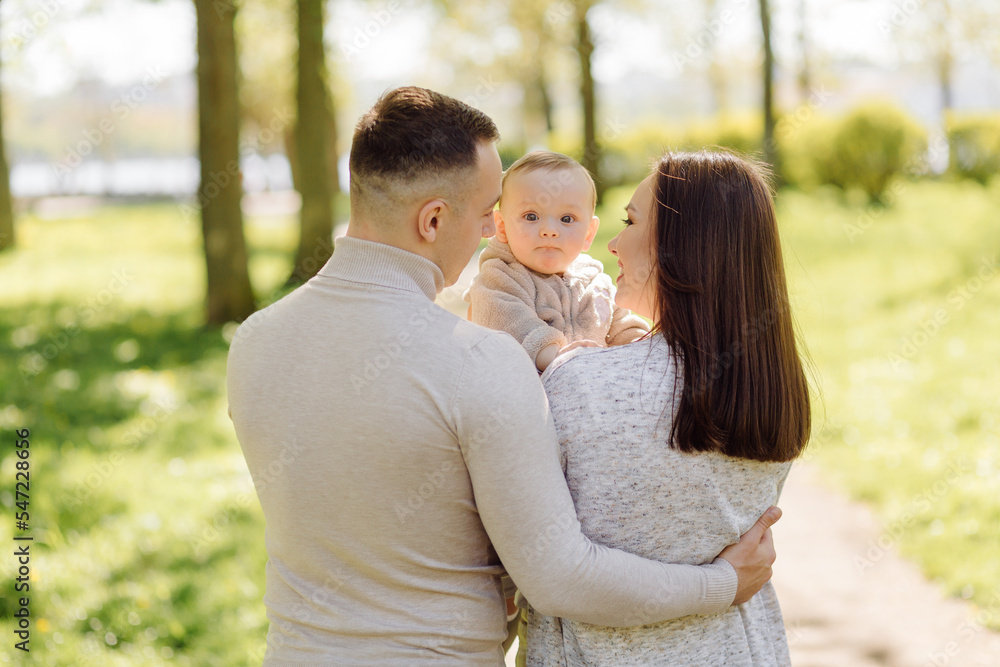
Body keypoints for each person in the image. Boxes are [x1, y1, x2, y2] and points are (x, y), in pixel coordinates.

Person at [226, 87, 782, 666]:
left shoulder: (255, 340)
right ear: (433, 219)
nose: (495, 232)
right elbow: (561, 577)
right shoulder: (481, 360)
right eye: (488, 211)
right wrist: (722, 584)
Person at [526, 150, 812, 666]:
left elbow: (550, 575)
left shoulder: (579, 384)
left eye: (631, 222)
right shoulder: (770, 389)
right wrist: (721, 582)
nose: (612, 244)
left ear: (679, 246)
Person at [465, 151, 649, 372]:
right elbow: (512, 322)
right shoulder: (499, 277)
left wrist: (643, 347)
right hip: (532, 398)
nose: (550, 230)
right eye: (531, 216)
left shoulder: (596, 282)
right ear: (502, 227)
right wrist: (555, 355)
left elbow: (623, 327)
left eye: (566, 219)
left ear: (588, 234)